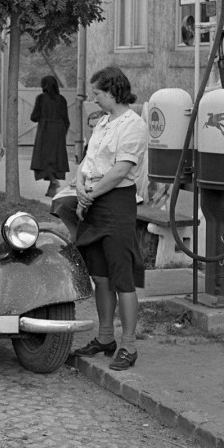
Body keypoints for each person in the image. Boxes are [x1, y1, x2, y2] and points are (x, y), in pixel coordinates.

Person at [57, 66, 147, 372]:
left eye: (97, 93)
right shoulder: (104, 124)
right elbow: (86, 162)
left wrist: (89, 194)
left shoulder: (133, 125)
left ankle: (129, 345)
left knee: (122, 278)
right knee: (100, 277)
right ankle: (105, 337)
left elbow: (121, 170)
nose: (93, 98)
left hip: (117, 204)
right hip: (93, 201)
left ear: (113, 91)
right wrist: (80, 187)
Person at [30, 75, 70, 197]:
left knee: (43, 158)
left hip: (45, 131)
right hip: (59, 131)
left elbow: (33, 117)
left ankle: (52, 180)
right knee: (55, 158)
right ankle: (52, 185)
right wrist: (63, 133)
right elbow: (66, 120)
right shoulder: (62, 99)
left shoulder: (41, 98)